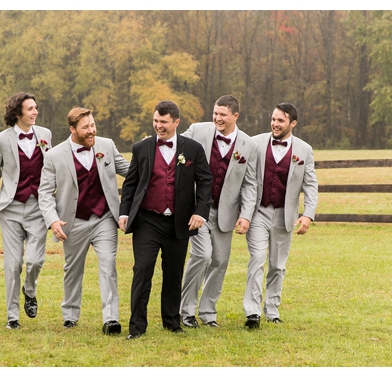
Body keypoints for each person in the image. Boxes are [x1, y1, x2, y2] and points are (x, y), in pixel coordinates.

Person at [118, 100, 212, 340]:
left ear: (176, 122)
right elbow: (131, 183)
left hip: (179, 222)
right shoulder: (141, 148)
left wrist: (200, 212)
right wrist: (124, 212)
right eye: (156, 121)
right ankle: (137, 326)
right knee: (142, 270)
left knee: (173, 272)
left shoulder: (192, 149)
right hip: (148, 220)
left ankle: (172, 322)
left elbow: (205, 182)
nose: (158, 126)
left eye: (164, 122)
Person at [37, 107, 129, 334]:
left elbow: (130, 170)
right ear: (73, 129)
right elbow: (45, 192)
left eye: (93, 125)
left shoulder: (106, 145)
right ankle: (70, 314)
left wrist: (150, 154)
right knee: (73, 268)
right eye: (86, 127)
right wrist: (53, 220)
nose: (92, 131)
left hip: (104, 218)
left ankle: (111, 319)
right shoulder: (54, 156)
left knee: (108, 264)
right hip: (73, 220)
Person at [178, 95, 259, 329]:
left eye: (223, 114)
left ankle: (208, 312)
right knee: (202, 255)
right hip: (196, 209)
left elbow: (250, 184)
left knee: (220, 261)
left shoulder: (248, 145)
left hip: (226, 214)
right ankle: (186, 311)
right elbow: (173, 145)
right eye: (215, 113)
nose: (217, 118)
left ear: (235, 116)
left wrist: (245, 214)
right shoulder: (198, 131)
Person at [243, 103, 318, 329]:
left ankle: (272, 309)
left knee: (278, 265)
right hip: (259, 211)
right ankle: (252, 312)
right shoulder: (255, 143)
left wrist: (308, 215)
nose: (275, 124)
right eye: (273, 119)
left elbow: (311, 184)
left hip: (286, 215)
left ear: (292, 124)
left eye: (280, 121)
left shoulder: (304, 150)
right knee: (257, 259)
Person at [0, 92, 51, 329]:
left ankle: (29, 290)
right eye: (30, 108)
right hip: (10, 208)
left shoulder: (45, 135)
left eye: (36, 108)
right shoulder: (1, 139)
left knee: (35, 260)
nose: (35, 112)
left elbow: (50, 166)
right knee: (13, 264)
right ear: (18, 113)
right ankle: (12, 316)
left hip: (38, 207)